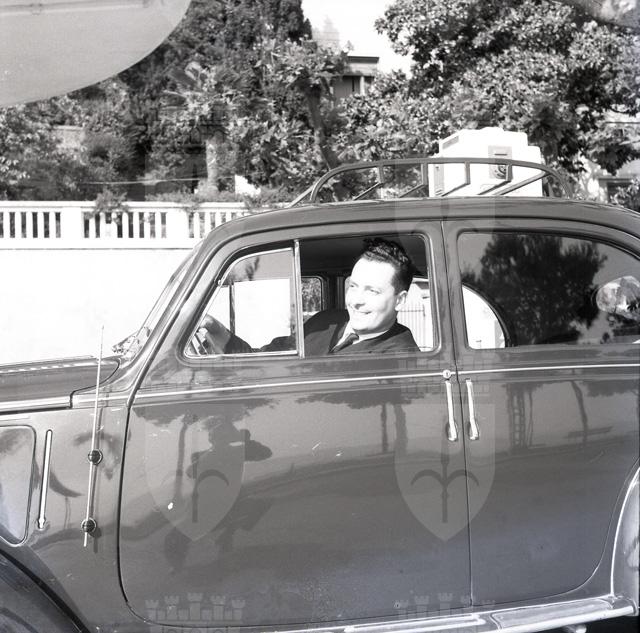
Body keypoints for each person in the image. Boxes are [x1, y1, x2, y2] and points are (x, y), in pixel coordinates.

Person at [197, 237, 420, 356]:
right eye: (353, 286)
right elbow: (264, 361)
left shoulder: (401, 357)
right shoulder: (326, 321)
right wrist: (217, 331)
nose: (356, 300)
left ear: (400, 300)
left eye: (372, 291)